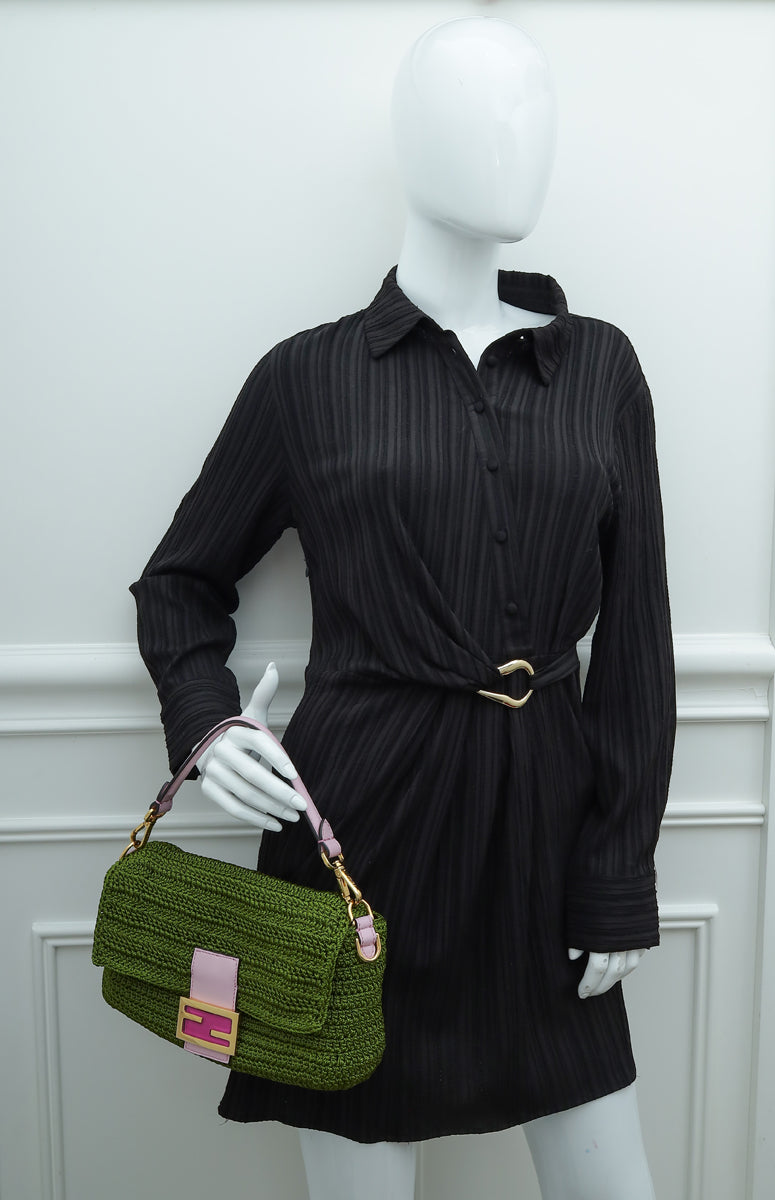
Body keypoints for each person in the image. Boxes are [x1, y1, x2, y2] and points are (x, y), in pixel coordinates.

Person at [129, 17, 675, 1200]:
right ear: (410, 137)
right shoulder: (308, 378)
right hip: (359, 838)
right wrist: (207, 724)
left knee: (611, 1177)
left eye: (537, 109)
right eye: (486, 108)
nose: (523, 139)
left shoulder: (599, 368)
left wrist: (618, 872)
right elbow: (179, 584)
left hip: (547, 837)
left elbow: (637, 643)